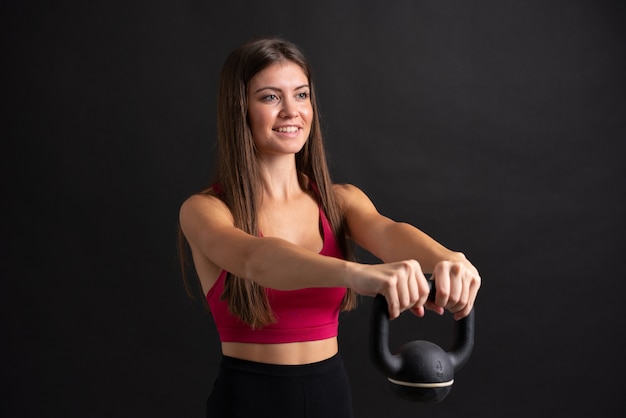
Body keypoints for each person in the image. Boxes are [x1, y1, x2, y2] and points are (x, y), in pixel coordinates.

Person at [178, 36, 481, 418]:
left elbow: (388, 232)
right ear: (240, 108)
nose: (291, 111)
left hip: (331, 397)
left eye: (301, 95)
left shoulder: (340, 201)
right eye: (271, 97)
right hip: (249, 400)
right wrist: (358, 274)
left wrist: (447, 260)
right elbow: (256, 259)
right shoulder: (205, 210)